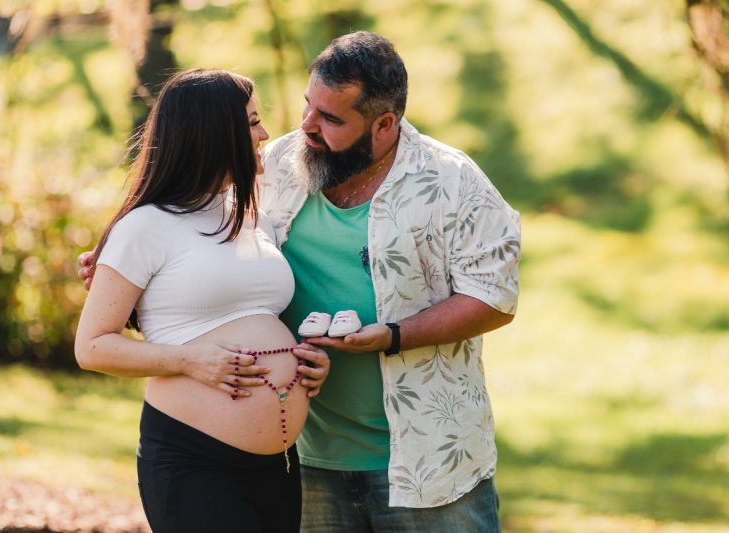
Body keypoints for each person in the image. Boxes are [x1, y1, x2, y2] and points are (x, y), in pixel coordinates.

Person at [258, 32, 521, 532]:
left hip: (429, 465)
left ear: (384, 124)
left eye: (331, 118)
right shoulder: (273, 165)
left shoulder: (453, 180)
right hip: (300, 455)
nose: (307, 125)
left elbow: (494, 297)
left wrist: (394, 336)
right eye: (308, 105)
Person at [74, 69, 330, 533]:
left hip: (278, 466)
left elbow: (255, 315)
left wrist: (302, 361)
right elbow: (91, 347)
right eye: (253, 122)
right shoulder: (146, 226)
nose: (265, 135)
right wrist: (190, 362)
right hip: (195, 460)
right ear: (215, 133)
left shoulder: (253, 217)